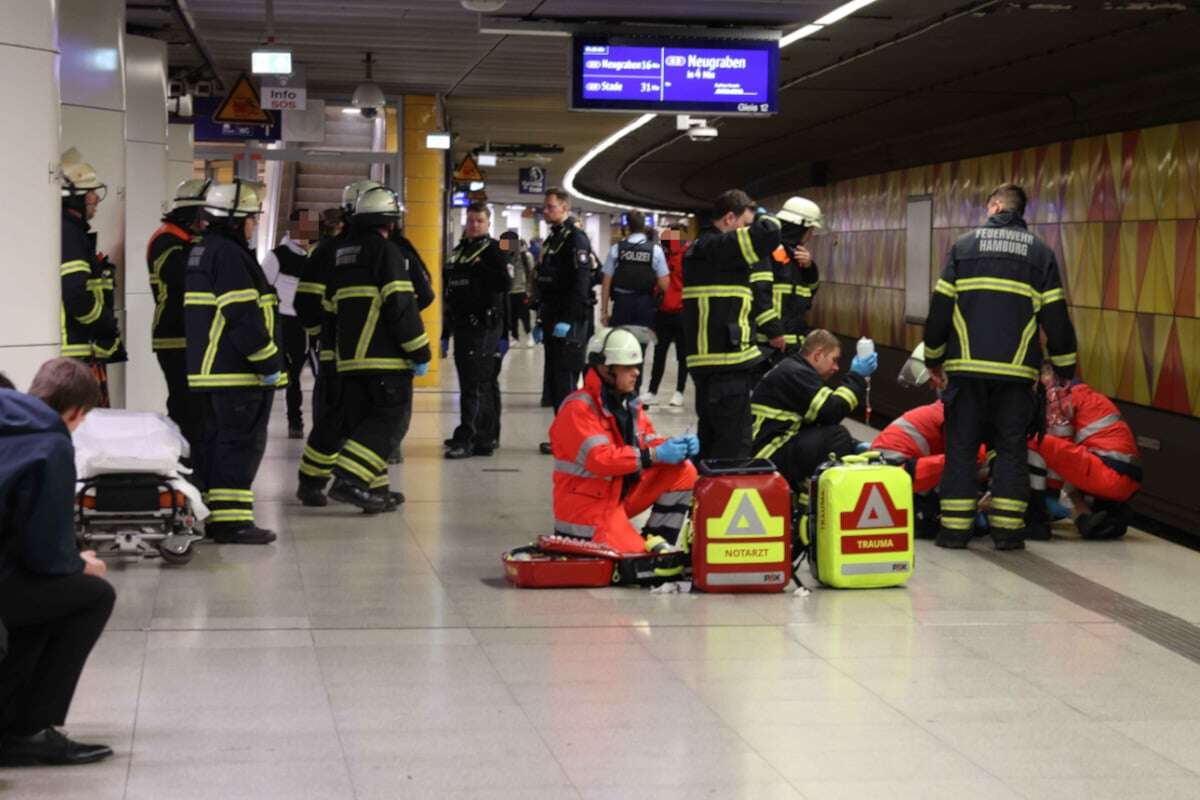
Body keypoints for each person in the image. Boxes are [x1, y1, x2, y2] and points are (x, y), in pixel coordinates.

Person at [923, 182, 1078, 550]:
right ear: (1019, 212)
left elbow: (940, 311)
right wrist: (1064, 367)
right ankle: (1008, 534)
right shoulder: (1040, 254)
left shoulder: (963, 247)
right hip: (1017, 373)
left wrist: (933, 358)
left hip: (966, 369)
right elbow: (1056, 317)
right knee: (1010, 448)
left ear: (994, 206)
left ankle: (954, 532)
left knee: (961, 447)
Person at [0, 358, 115, 767]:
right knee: (91, 595)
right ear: (76, 413)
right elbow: (46, 554)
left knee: (42, 599)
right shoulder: (49, 443)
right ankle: (27, 730)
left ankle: (13, 718)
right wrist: (79, 563)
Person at [184, 179, 283, 545]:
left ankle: (212, 513)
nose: (254, 225)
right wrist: (268, 360)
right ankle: (232, 523)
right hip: (236, 371)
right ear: (236, 219)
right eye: (252, 218)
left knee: (215, 442)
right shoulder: (229, 255)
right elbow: (242, 315)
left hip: (212, 371)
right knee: (239, 443)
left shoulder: (204, 250)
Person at [323, 185, 431, 513]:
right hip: (384, 358)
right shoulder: (388, 253)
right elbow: (401, 305)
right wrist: (420, 351)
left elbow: (328, 305)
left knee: (364, 422)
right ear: (390, 222)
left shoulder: (342, 253)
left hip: (350, 359)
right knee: (388, 422)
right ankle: (349, 480)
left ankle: (375, 489)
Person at [549, 327, 699, 554]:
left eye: (636, 366)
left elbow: (646, 440)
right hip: (587, 509)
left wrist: (676, 445)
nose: (636, 373)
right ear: (605, 368)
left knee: (683, 471)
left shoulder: (626, 405)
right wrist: (655, 455)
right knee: (638, 561)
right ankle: (645, 550)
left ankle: (657, 540)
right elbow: (600, 459)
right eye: (627, 367)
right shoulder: (578, 408)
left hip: (616, 497)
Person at [682, 189, 783, 459]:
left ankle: (706, 498)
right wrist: (764, 216)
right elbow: (769, 233)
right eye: (744, 226)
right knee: (734, 450)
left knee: (712, 444)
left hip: (712, 365)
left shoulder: (703, 249)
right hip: (725, 366)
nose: (746, 233)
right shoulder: (716, 247)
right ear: (729, 219)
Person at [294, 192, 372, 507]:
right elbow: (307, 303)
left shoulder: (359, 251)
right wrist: (322, 335)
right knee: (333, 416)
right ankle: (312, 481)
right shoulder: (329, 253)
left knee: (358, 417)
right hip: (335, 352)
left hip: (357, 350)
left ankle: (369, 485)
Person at [750, 329, 876, 495]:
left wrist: (853, 446)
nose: (836, 367)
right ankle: (821, 499)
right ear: (818, 355)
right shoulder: (796, 373)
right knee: (837, 436)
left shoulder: (795, 369)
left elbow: (817, 421)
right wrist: (856, 377)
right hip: (769, 453)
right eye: (834, 360)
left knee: (837, 438)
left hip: (771, 448)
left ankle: (807, 495)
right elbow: (832, 411)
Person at [1027, 364, 1140, 540]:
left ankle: (1040, 516)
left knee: (1034, 441)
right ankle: (1090, 518)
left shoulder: (1059, 396)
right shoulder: (1083, 394)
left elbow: (1056, 447)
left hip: (1105, 473)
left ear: (1049, 377)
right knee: (1070, 459)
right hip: (1125, 478)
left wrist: (1048, 496)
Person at [146, 179, 210, 457]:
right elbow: (180, 276)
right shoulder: (166, 240)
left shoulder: (183, 239)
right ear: (194, 214)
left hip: (188, 335)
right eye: (206, 217)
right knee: (185, 406)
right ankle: (183, 459)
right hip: (174, 335)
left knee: (195, 406)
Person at [443, 202, 510, 459]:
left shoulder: (494, 249)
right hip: (462, 325)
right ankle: (484, 435)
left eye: (479, 221)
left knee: (477, 383)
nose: (474, 225)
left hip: (483, 326)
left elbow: (504, 283)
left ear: (488, 223)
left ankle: (470, 437)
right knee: (474, 382)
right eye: (470, 221)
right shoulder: (460, 251)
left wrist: (480, 267)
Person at [59, 148, 126, 406]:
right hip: (77, 352)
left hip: (80, 349)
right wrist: (105, 324)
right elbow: (76, 294)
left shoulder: (69, 231)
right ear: (75, 198)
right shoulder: (70, 234)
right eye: (91, 193)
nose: (97, 198)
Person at [534, 188, 595, 455]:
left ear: (564, 207)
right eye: (545, 207)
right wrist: (539, 318)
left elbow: (582, 281)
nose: (546, 211)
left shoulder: (575, 238)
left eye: (550, 207)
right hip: (552, 316)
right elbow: (545, 281)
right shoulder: (552, 239)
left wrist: (570, 319)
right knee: (558, 381)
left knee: (568, 382)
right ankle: (563, 435)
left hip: (570, 320)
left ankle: (571, 440)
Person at [388, 225, 437, 464]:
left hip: (353, 342)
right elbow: (427, 293)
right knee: (398, 397)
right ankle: (392, 447)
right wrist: (405, 314)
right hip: (400, 340)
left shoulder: (344, 250)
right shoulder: (403, 251)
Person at [261, 226, 313, 439]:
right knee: (273, 372)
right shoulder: (276, 256)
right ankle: (266, 421)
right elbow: (263, 286)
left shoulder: (311, 259)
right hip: (279, 320)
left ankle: (295, 420)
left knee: (293, 376)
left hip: (300, 324)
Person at [757, 197, 822, 364]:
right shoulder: (767, 252)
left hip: (791, 345)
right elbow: (759, 295)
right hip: (767, 345)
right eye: (810, 230)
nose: (811, 235)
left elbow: (809, 292)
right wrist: (773, 332)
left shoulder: (796, 256)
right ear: (799, 227)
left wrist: (809, 268)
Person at [600, 210, 668, 331]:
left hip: (621, 304)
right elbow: (664, 285)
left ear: (627, 227)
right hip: (645, 304)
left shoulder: (616, 249)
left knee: (620, 344)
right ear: (644, 226)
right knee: (640, 345)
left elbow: (606, 283)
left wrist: (604, 311)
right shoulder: (656, 250)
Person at [644, 225, 689, 407]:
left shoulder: (686, 257)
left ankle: (677, 391)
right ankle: (655, 391)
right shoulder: (664, 255)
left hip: (680, 312)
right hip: (664, 312)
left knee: (680, 355)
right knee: (661, 353)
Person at [503, 232, 534, 345]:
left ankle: (529, 335)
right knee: (512, 316)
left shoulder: (525, 256)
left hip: (522, 290)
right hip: (509, 291)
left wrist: (529, 291)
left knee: (524, 315)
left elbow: (531, 273)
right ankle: (514, 337)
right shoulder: (505, 256)